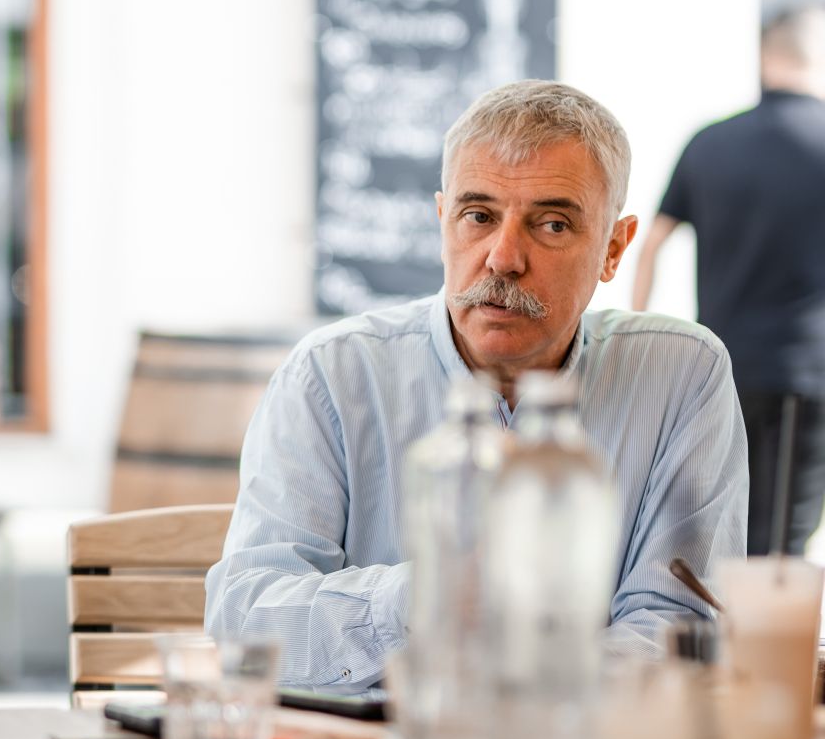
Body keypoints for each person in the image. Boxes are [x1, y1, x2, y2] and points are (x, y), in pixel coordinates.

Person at [206, 80, 747, 693]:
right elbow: (245, 622)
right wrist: (431, 596)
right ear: (444, 222)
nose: (502, 257)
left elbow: (679, 628)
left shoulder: (682, 375)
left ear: (613, 250)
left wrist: (507, 701)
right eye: (479, 216)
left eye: (551, 224)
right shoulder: (333, 377)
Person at [629, 5, 825, 555]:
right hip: (803, 380)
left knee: (714, 534)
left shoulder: (709, 141)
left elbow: (650, 246)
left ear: (766, 57)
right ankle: (763, 642)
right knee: (779, 550)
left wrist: (640, 335)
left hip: (716, 371)